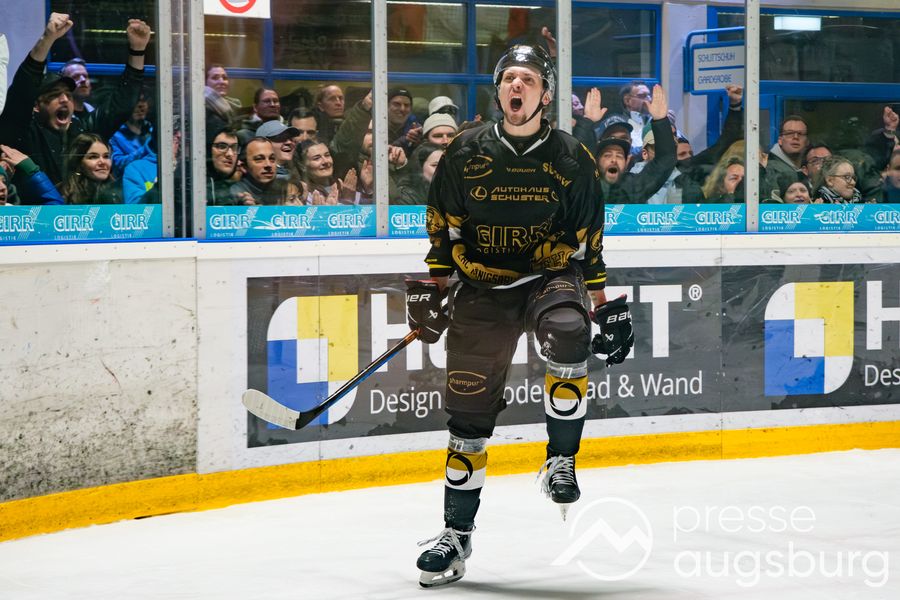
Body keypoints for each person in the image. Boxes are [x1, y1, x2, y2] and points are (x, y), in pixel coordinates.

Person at [410, 44, 633, 588]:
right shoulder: (464, 153)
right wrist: (436, 287)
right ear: (499, 90)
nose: (517, 86)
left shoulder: (571, 157)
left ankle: (561, 459)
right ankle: (455, 536)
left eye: (528, 79)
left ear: (545, 93)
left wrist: (600, 303)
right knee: (466, 410)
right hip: (482, 283)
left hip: (548, 274)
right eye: (509, 78)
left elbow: (590, 237)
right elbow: (441, 224)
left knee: (567, 331)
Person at [0, 14, 150, 186]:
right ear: (36, 106)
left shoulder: (82, 131)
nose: (64, 99)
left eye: (68, 95)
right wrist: (48, 38)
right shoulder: (23, 132)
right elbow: (23, 89)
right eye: (53, 95)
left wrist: (137, 50)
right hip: (36, 213)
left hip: (82, 212)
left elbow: (120, 106)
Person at [230, 137, 300, 205]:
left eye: (272, 158)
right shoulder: (236, 195)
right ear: (244, 167)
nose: (268, 165)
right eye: (259, 159)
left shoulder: (285, 188)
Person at [57, 133, 123, 204]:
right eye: (93, 157)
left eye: (106, 156)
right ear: (78, 163)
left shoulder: (121, 190)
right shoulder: (62, 194)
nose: (102, 162)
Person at [0, 144, 65, 205]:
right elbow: (55, 213)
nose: (3, 187)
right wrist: (33, 172)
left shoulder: (11, 212)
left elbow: (55, 213)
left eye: (4, 181)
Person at [110, 92, 154, 178]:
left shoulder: (153, 129)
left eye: (143, 101)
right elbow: (118, 165)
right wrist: (147, 148)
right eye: (136, 101)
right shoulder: (115, 135)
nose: (140, 105)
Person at [206, 128, 241, 205]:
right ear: (208, 151)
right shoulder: (193, 185)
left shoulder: (237, 191)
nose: (230, 154)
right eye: (222, 147)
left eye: (234, 148)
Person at [388, 88, 422, 157]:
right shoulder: (375, 126)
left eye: (406, 105)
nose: (402, 109)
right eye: (396, 104)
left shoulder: (417, 130)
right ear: (386, 106)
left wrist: (418, 143)